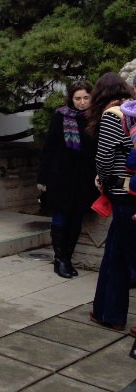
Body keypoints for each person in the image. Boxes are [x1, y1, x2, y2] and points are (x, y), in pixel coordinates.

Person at [85, 72, 136, 335]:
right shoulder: (133, 111)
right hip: (133, 189)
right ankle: (108, 312)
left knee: (130, 255)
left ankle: (110, 313)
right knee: (115, 254)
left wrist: (101, 181)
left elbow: (105, 156)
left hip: (123, 190)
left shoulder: (112, 115)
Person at [37, 81, 97, 279]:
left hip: (84, 177)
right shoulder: (61, 116)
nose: (81, 102)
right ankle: (60, 259)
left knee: (76, 219)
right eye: (77, 98)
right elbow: (49, 148)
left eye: (85, 98)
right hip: (60, 176)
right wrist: (43, 179)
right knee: (61, 217)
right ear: (71, 99)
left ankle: (68, 258)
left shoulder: (95, 118)